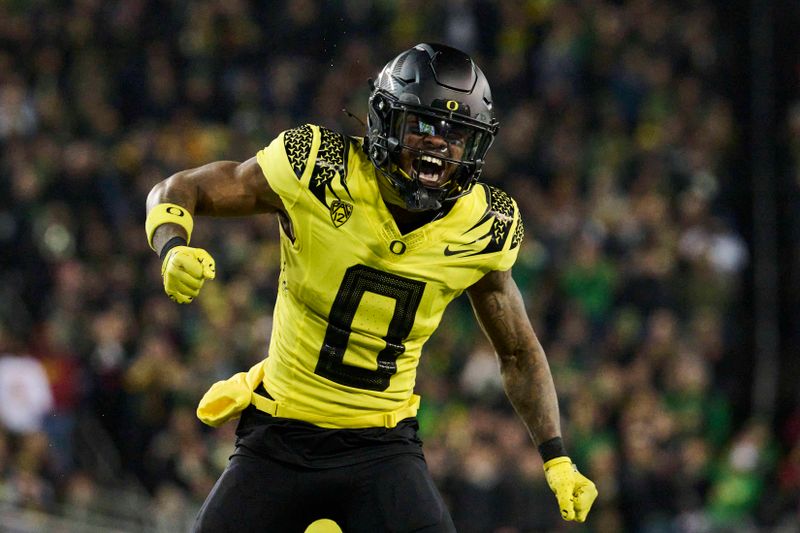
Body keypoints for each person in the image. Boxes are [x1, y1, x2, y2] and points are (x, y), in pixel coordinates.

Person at [145, 43, 597, 532]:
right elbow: (178, 188)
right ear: (385, 120)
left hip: (382, 448)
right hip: (279, 437)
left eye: (456, 134)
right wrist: (173, 246)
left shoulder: (485, 225)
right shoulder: (319, 167)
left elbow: (517, 352)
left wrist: (555, 456)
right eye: (423, 125)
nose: (439, 145)